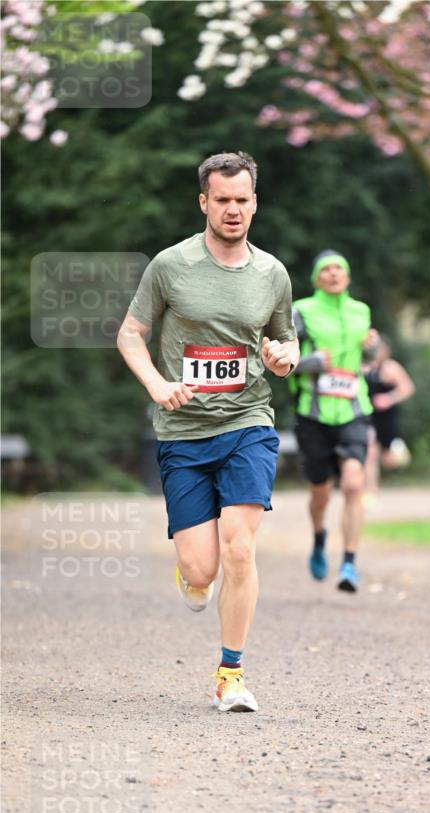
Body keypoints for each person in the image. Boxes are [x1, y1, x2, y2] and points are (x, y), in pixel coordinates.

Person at [116, 151, 300, 714]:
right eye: (222, 200)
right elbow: (130, 334)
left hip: (248, 422)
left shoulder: (272, 274)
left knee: (240, 550)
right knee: (202, 570)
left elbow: (286, 343)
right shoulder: (170, 266)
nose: (233, 210)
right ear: (204, 202)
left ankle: (231, 674)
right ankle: (191, 572)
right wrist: (155, 383)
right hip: (184, 432)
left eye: (242, 199)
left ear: (254, 202)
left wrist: (283, 356)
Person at [291, 250, 378, 593]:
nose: (332, 274)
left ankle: (350, 563)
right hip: (313, 414)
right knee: (321, 493)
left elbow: (368, 356)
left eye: (338, 269)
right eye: (325, 269)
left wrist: (372, 348)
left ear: (348, 277)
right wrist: (312, 361)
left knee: (355, 484)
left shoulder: (361, 311)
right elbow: (281, 359)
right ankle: (318, 537)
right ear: (315, 279)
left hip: (354, 409)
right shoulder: (302, 310)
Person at [363, 335, 415, 496]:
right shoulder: (364, 367)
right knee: (370, 453)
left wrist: (389, 398)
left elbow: (408, 388)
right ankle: (370, 491)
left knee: (390, 460)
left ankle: (401, 454)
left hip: (387, 418)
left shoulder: (391, 368)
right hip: (369, 417)